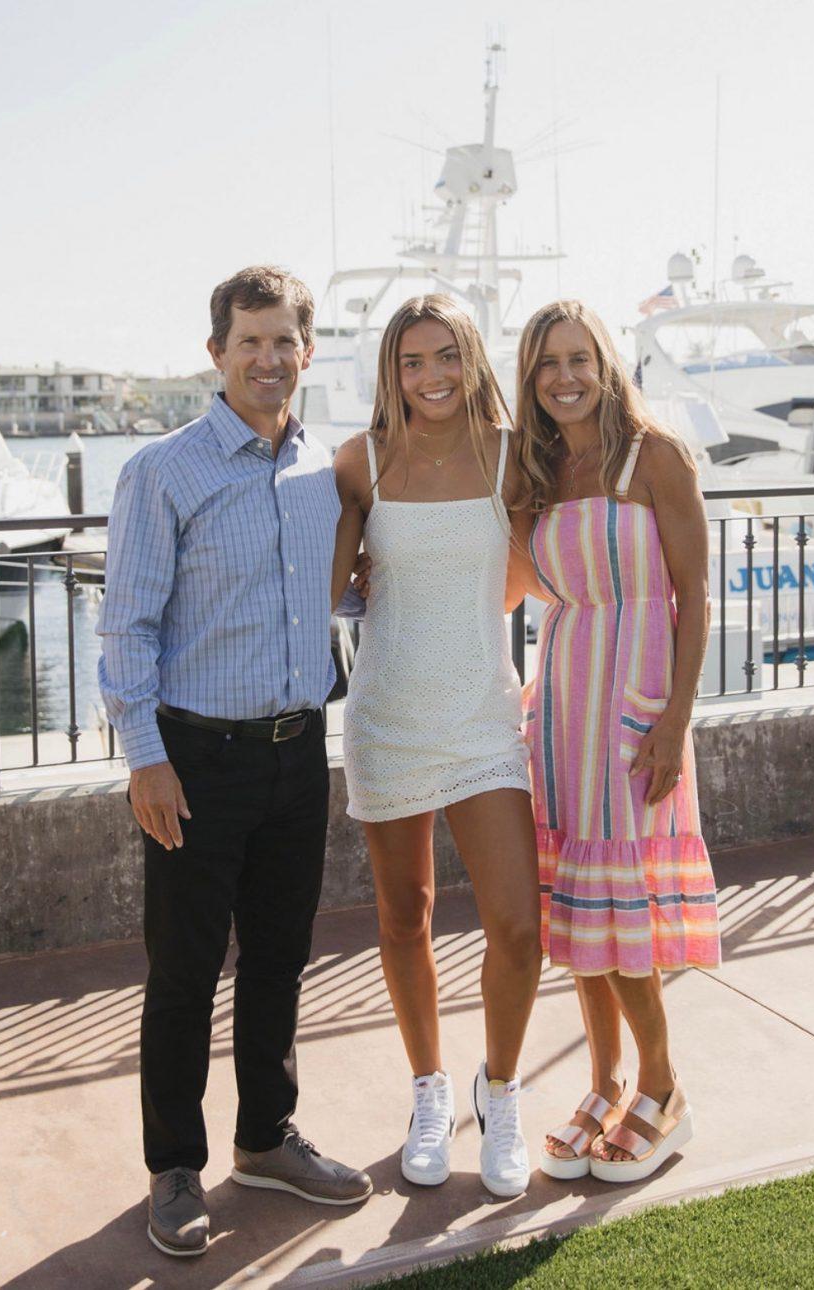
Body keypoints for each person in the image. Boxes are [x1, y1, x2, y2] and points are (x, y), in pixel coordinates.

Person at [98, 265, 372, 1259]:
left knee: (280, 960)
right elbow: (125, 628)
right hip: (195, 761)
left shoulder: (320, 475)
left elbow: (336, 595)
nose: (268, 358)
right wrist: (145, 759)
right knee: (182, 973)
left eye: (284, 341)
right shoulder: (162, 471)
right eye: (248, 341)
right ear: (216, 352)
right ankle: (174, 1164)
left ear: (306, 349)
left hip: (299, 758)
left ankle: (264, 1138)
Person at [506, 300, 721, 1185]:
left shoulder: (655, 456)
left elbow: (695, 594)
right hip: (558, 704)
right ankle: (603, 1084)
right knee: (575, 915)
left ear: (605, 362)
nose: (565, 376)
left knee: (623, 919)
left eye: (578, 358)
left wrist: (676, 719)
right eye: (547, 363)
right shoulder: (538, 468)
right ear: (531, 376)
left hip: (635, 706)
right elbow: (515, 581)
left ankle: (662, 1091)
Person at [331, 294, 541, 1198]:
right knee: (402, 918)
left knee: (518, 929)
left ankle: (501, 1092)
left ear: (471, 358)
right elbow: (334, 579)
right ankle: (428, 1093)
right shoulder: (359, 461)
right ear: (391, 371)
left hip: (483, 718)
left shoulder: (511, 456)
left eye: (445, 356)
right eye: (412, 361)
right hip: (387, 718)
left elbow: (520, 583)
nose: (431, 377)